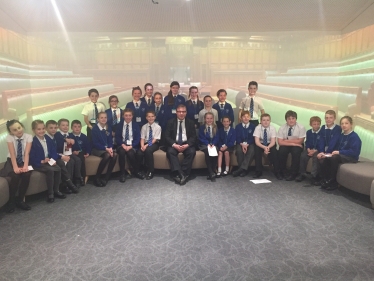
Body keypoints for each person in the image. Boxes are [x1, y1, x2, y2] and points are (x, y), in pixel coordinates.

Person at [319, 116, 361, 191]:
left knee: (334, 158)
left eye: (346, 123)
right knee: (326, 159)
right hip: (340, 155)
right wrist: (328, 154)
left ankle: (333, 182)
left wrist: (340, 152)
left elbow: (355, 152)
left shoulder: (354, 137)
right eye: (342, 124)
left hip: (351, 157)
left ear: (351, 124)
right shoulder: (341, 136)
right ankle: (325, 179)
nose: (344, 125)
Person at [29, 120, 66, 203]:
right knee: (50, 170)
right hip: (38, 163)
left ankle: (56, 190)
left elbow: (53, 151)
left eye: (43, 128)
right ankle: (50, 193)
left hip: (48, 161)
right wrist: (41, 161)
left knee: (58, 168)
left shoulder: (48, 139)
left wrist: (52, 160)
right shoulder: (32, 141)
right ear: (33, 130)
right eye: (38, 129)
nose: (41, 131)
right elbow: (31, 156)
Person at [0, 120, 32, 212]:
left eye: (19, 127)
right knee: (15, 175)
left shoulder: (28, 137)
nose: (18, 130)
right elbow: (12, 154)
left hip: (23, 160)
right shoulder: (9, 137)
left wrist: (25, 166)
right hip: (12, 160)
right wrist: (15, 167)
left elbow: (26, 153)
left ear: (22, 126)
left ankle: (20, 200)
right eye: (14, 130)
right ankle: (12, 201)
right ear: (11, 132)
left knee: (27, 174)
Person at [165, 104, 197, 185]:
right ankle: (182, 174)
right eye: (179, 112)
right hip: (174, 144)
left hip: (186, 144)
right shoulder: (170, 122)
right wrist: (174, 145)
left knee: (192, 152)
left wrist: (187, 145)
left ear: (186, 113)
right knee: (170, 152)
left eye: (183, 112)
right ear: (176, 112)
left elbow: (193, 137)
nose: (181, 113)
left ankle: (178, 173)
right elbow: (167, 136)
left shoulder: (190, 122)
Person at [45, 120, 79, 194]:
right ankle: (68, 184)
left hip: (55, 156)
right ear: (46, 128)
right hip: (49, 158)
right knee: (61, 162)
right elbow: (50, 153)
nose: (53, 129)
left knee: (70, 161)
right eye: (51, 128)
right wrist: (61, 156)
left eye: (55, 128)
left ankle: (67, 184)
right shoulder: (47, 138)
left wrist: (62, 156)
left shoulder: (53, 137)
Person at [277, 110, 306, 181]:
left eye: (293, 118)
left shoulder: (301, 127)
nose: (291, 120)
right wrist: (292, 143)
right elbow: (280, 142)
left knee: (296, 151)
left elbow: (300, 141)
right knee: (282, 150)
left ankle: (294, 173)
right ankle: (283, 171)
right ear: (286, 120)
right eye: (289, 119)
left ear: (296, 119)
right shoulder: (282, 128)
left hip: (297, 145)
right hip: (288, 144)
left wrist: (286, 141)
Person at [116, 108, 143, 182]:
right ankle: (122, 174)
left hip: (132, 145)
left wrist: (131, 146)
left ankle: (136, 171)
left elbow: (138, 138)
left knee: (130, 153)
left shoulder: (136, 125)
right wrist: (122, 145)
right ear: (123, 116)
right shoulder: (119, 125)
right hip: (122, 145)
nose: (128, 117)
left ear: (132, 116)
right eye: (126, 115)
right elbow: (117, 137)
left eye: (130, 115)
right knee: (121, 152)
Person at [315, 110, 341, 185]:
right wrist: (321, 151)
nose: (328, 119)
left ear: (334, 118)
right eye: (326, 118)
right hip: (325, 151)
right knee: (318, 158)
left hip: (333, 151)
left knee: (325, 160)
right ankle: (322, 178)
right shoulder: (323, 127)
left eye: (330, 117)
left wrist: (326, 154)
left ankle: (327, 179)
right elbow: (321, 141)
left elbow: (334, 142)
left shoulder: (337, 128)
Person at [91, 112, 118, 187]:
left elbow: (110, 140)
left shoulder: (108, 127)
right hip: (97, 149)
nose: (103, 119)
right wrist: (106, 149)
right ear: (98, 119)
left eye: (105, 117)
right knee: (107, 155)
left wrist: (110, 148)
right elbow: (95, 143)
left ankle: (107, 177)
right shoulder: (94, 129)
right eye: (101, 117)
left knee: (114, 155)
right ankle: (97, 177)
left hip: (107, 148)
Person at [56, 118, 83, 186]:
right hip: (61, 153)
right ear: (59, 127)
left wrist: (74, 145)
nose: (65, 127)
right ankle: (68, 182)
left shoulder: (71, 135)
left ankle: (77, 178)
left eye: (67, 125)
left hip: (69, 153)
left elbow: (74, 146)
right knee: (71, 162)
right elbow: (58, 146)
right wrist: (65, 140)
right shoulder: (57, 135)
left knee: (78, 160)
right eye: (63, 125)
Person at [253, 113, 281, 179]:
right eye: (264, 120)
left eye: (267, 120)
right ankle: (258, 171)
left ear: (270, 121)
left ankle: (277, 171)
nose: (266, 122)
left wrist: (268, 147)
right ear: (261, 121)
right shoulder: (257, 128)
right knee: (256, 150)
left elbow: (273, 141)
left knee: (274, 151)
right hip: (260, 144)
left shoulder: (273, 128)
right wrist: (264, 147)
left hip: (270, 144)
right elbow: (257, 142)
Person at [295, 116, 322, 182]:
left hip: (317, 150)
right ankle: (301, 173)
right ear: (311, 124)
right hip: (310, 149)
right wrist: (308, 149)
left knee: (316, 158)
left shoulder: (322, 132)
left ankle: (313, 175)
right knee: (303, 156)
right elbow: (307, 142)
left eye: (318, 124)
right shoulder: (309, 132)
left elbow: (321, 143)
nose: (316, 126)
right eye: (314, 124)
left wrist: (315, 151)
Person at [137, 110, 161, 180]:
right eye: (149, 117)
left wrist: (146, 146)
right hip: (144, 143)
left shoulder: (158, 127)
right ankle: (138, 170)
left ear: (155, 117)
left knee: (148, 151)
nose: (150, 118)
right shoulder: (144, 127)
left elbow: (155, 139)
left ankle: (151, 170)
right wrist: (142, 146)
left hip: (154, 143)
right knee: (139, 153)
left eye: (152, 116)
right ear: (146, 118)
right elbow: (142, 138)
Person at [232, 111, 256, 177]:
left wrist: (247, 144)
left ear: (250, 118)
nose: (246, 118)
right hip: (240, 143)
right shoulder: (238, 126)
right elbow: (237, 137)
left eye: (247, 117)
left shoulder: (253, 126)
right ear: (241, 118)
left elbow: (253, 137)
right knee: (239, 151)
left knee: (251, 150)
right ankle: (244, 170)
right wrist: (242, 144)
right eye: (244, 117)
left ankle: (241, 169)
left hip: (250, 143)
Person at [69, 120, 91, 186]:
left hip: (81, 152)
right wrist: (73, 152)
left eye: (79, 127)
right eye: (75, 127)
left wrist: (88, 153)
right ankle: (75, 179)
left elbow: (88, 146)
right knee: (74, 161)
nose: (77, 128)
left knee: (81, 159)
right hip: (72, 153)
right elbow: (68, 147)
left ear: (81, 127)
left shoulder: (84, 137)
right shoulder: (69, 136)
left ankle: (82, 178)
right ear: (71, 128)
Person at [199, 112, 219, 182]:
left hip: (213, 144)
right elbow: (201, 138)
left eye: (211, 118)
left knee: (215, 151)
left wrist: (213, 144)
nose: (209, 120)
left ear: (213, 119)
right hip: (204, 145)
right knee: (207, 152)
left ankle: (213, 170)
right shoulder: (202, 128)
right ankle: (211, 172)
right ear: (204, 119)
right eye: (207, 118)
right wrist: (207, 144)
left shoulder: (215, 127)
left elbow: (217, 137)